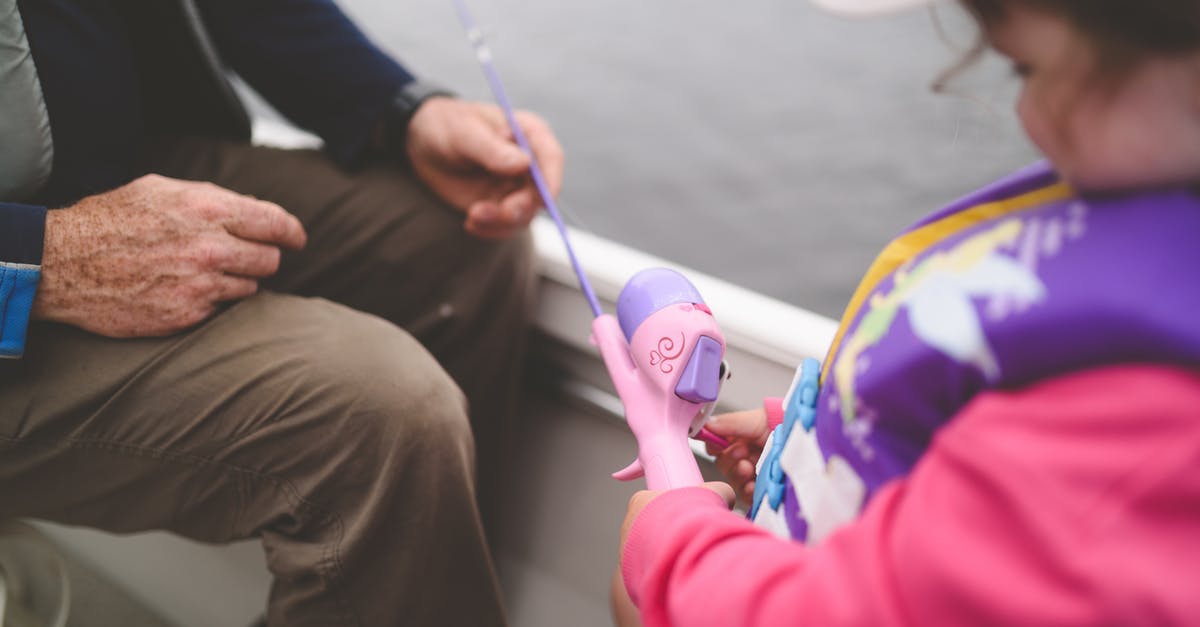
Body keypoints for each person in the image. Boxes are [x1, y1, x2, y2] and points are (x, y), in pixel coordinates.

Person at [615, 0, 1200, 624]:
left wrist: (670, 553)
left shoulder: (1153, 431)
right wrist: (817, 434)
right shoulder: (1143, 208)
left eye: (1025, 69)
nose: (1026, 115)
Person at [0, 1, 564, 625]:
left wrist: (402, 109)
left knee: (466, 242)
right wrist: (50, 261)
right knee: (381, 411)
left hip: (114, 167)